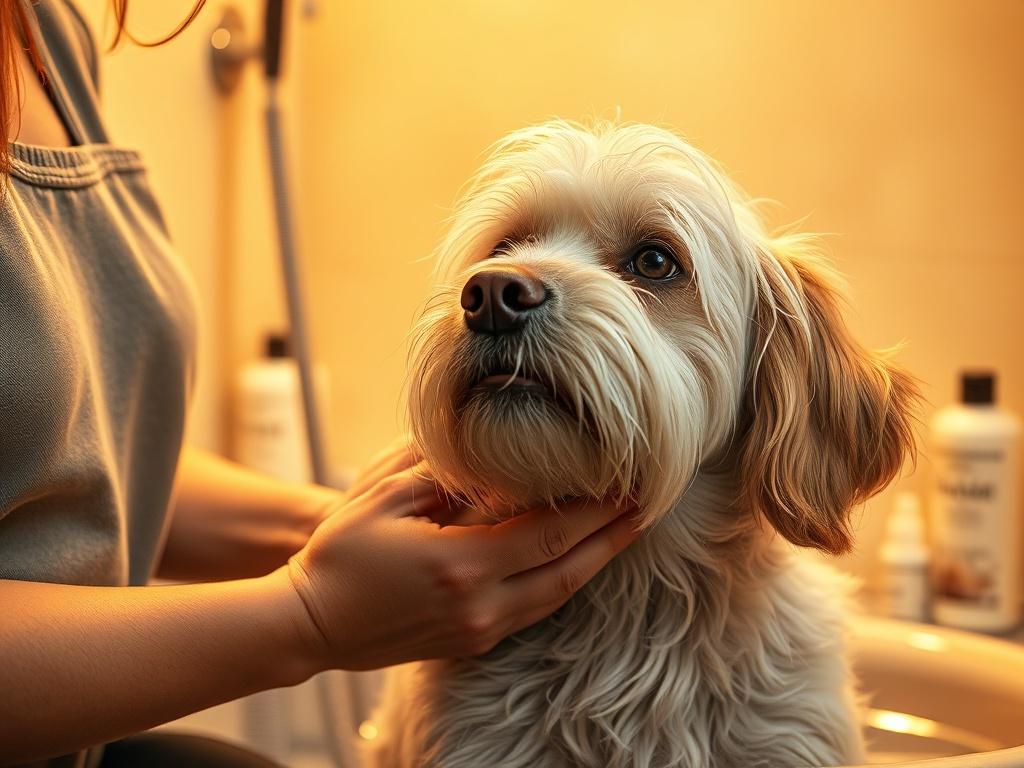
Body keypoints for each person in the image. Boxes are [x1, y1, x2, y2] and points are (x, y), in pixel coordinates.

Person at [0, 2, 641, 765]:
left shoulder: (49, 31)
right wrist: (308, 615)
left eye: (651, 265)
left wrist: (359, 522)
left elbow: (76, 463)